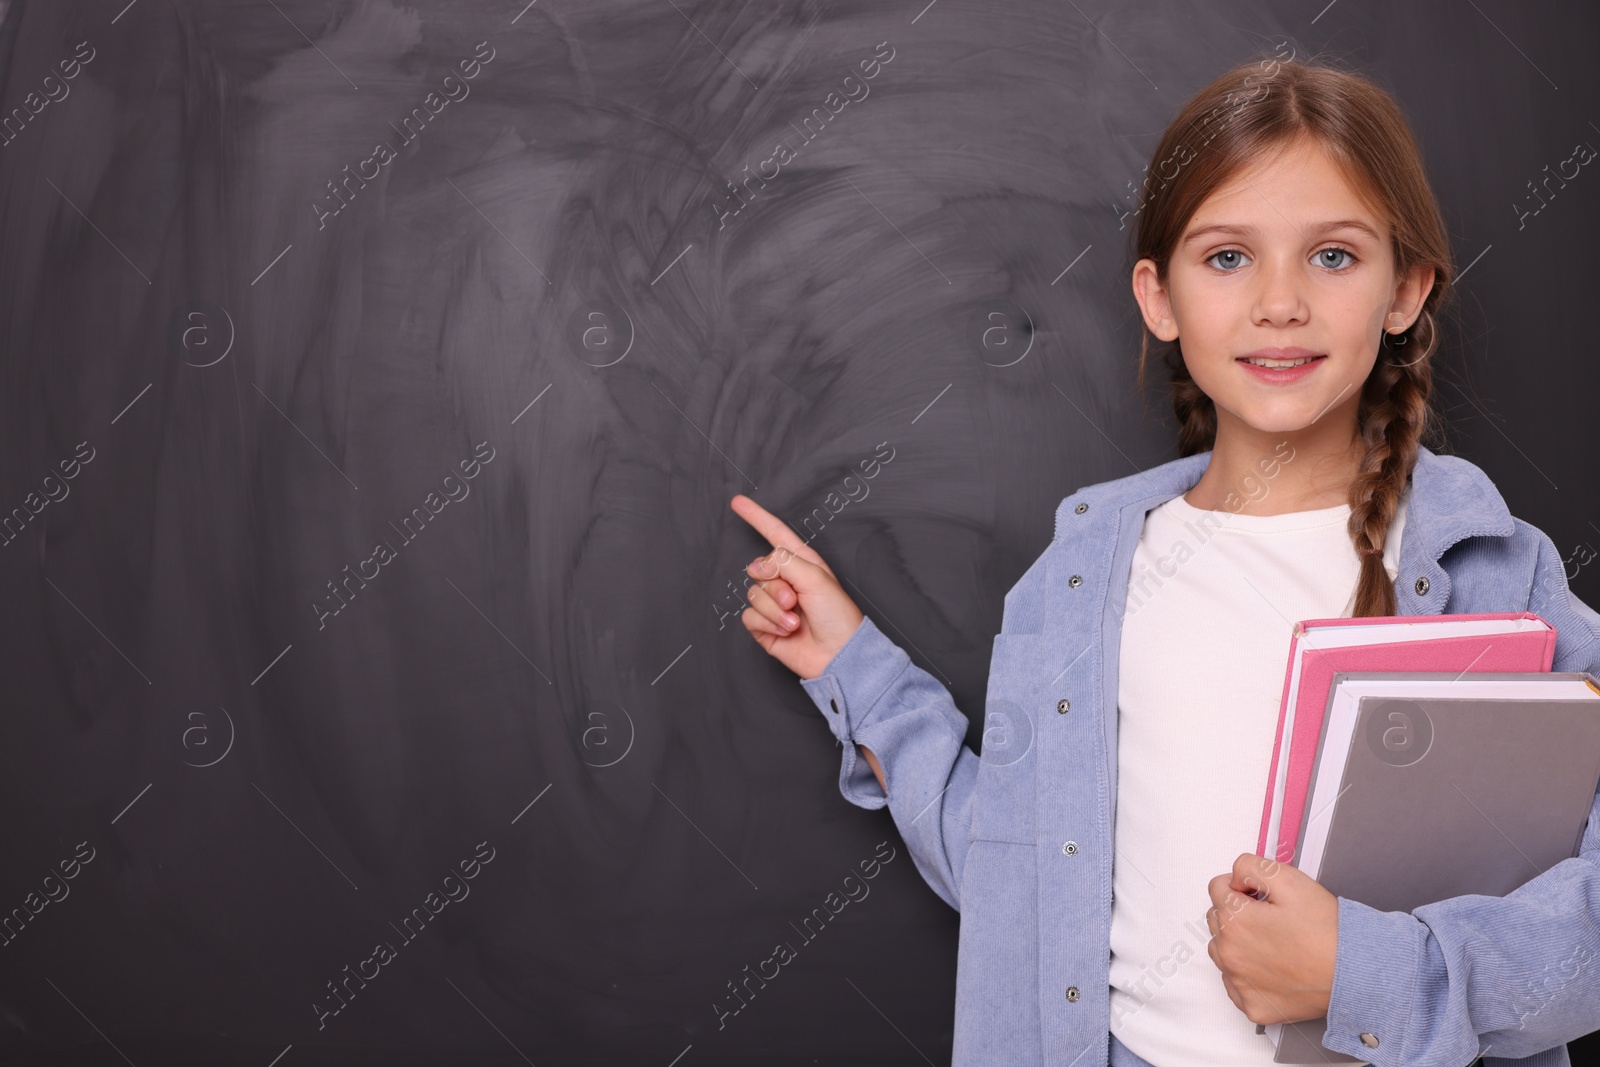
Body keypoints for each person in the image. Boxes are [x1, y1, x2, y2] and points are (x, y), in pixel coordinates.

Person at [730, 55, 1600, 1067]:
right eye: (1226, 257)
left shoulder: (1493, 572)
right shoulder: (1084, 569)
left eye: (1333, 256)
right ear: (1158, 296)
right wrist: (857, 671)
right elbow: (1028, 887)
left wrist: (1363, 969)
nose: (1279, 302)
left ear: (1404, 289)